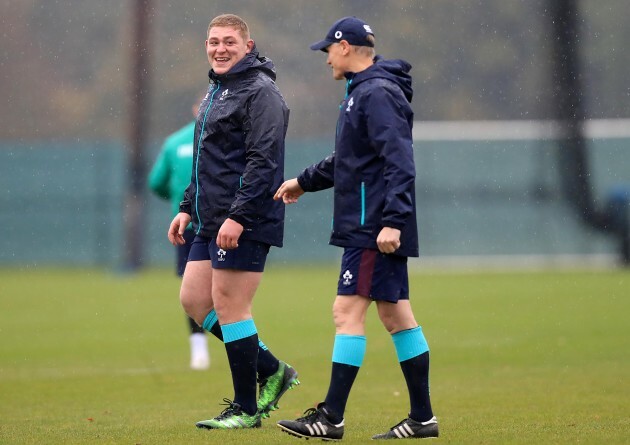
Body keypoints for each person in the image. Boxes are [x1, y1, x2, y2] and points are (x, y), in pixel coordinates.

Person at [274, 16, 438, 440]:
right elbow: (351, 159)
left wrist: (392, 222)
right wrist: (303, 182)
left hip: (374, 226)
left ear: (345, 47)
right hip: (372, 222)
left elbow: (400, 162)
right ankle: (422, 419)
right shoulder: (363, 93)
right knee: (396, 315)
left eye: (328, 48)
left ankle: (330, 418)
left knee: (346, 312)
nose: (325, 56)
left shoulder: (376, 93)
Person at [167, 13, 298, 430]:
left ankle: (245, 409)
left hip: (246, 218)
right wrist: (187, 205)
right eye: (213, 41)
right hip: (210, 219)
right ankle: (273, 370)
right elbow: (206, 160)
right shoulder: (216, 90)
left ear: (247, 45)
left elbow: (264, 163)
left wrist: (239, 216)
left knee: (230, 306)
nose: (219, 49)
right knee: (193, 299)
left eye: (228, 42)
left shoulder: (261, 93)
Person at [148, 97, 210, 371]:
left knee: (192, 290)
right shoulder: (225, 139)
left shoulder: (174, 142)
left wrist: (177, 201)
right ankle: (211, 348)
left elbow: (156, 184)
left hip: (188, 226)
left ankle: (199, 348)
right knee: (220, 290)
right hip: (217, 223)